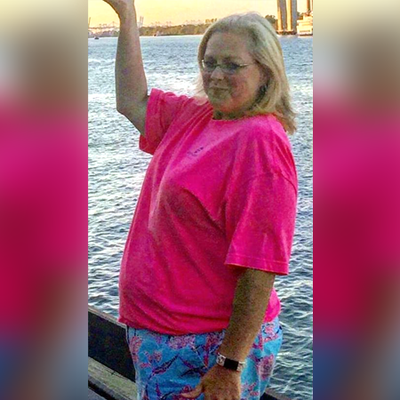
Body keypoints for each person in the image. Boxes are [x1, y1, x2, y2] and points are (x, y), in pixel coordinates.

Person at [102, 1, 297, 399]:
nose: (216, 75)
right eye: (209, 62)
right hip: (163, 337)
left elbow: (260, 266)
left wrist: (229, 365)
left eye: (232, 65)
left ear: (265, 72)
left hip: (207, 348)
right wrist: (127, 15)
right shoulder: (197, 116)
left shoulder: (260, 142)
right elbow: (132, 101)